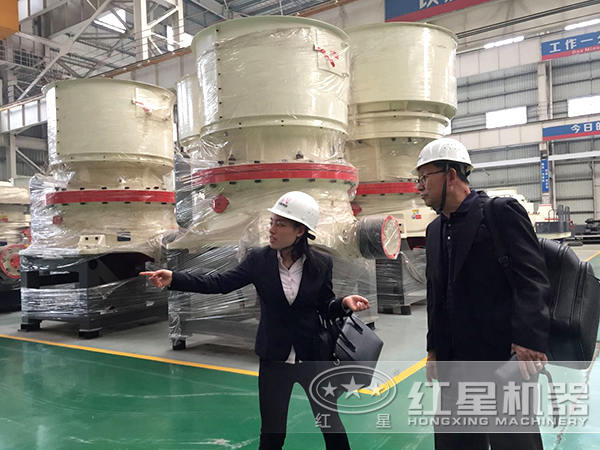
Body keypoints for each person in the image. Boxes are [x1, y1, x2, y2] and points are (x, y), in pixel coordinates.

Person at [141, 191, 370, 450]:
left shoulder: (321, 263)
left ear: (300, 230)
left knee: (331, 427)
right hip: (274, 358)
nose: (271, 229)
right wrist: (175, 278)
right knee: (272, 434)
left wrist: (343, 303)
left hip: (313, 356)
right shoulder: (258, 261)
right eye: (272, 222)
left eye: (280, 224)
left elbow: (324, 305)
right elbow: (219, 283)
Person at [415, 138, 551, 449]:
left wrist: (528, 341)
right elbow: (436, 295)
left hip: (501, 359)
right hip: (454, 363)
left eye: (424, 177)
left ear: (451, 175)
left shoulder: (499, 214)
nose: (419, 187)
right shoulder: (434, 231)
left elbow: (533, 279)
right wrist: (434, 348)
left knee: (514, 441)